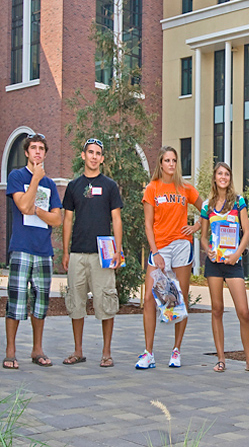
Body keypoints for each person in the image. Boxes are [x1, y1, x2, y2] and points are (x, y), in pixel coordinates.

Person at [136, 146, 203, 370]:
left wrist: (196, 226)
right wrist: (155, 252)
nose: (171, 164)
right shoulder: (152, 188)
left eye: (174, 160)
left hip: (182, 246)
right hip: (160, 248)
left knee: (180, 299)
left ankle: (176, 350)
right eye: (167, 160)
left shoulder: (185, 188)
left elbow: (206, 210)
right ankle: (148, 353)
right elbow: (147, 224)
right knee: (148, 299)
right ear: (160, 163)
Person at [62, 138, 123, 368]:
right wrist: (66, 251)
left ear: (102, 158)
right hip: (77, 252)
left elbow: (116, 219)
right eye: (90, 152)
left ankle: (106, 353)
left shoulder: (109, 186)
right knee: (76, 303)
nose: (94, 156)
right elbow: (68, 219)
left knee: (106, 303)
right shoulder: (73, 186)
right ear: (83, 155)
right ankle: (78, 351)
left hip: (103, 255)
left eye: (98, 153)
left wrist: (118, 249)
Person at [4, 133, 62, 369]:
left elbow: (56, 219)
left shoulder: (50, 184)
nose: (37, 152)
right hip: (21, 248)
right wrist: (36, 179)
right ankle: (10, 351)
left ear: (45, 153)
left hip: (43, 250)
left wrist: (38, 211)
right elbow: (23, 206)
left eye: (41, 149)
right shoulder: (17, 176)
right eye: (33, 148)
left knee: (40, 303)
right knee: (16, 301)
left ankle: (37, 349)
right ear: (26, 152)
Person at [200, 162, 249, 374]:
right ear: (215, 178)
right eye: (220, 173)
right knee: (216, 309)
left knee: (243, 312)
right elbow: (203, 236)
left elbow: (247, 232)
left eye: (227, 174)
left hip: (234, 263)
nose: (223, 177)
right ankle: (220, 359)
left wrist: (237, 254)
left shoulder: (238, 201)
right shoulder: (207, 205)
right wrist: (207, 249)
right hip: (214, 264)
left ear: (230, 178)